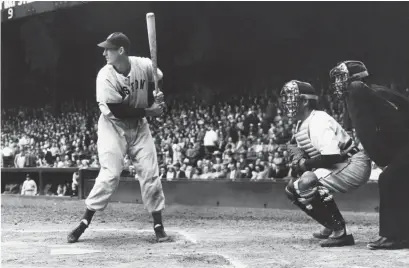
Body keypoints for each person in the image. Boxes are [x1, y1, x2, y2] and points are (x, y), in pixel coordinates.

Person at [67, 32, 170, 243]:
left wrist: (158, 99)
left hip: (139, 127)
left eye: (108, 49)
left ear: (121, 51)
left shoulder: (143, 64)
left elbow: (157, 78)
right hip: (112, 127)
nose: (104, 53)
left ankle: (158, 225)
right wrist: (151, 111)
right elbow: (119, 110)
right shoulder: (104, 76)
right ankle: (84, 222)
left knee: (150, 174)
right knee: (111, 174)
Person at [280, 80, 371, 247]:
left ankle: (340, 232)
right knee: (293, 189)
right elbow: (303, 152)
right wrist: (298, 160)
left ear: (305, 101)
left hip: (352, 163)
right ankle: (329, 225)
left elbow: (332, 156)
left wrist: (304, 164)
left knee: (305, 183)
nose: (287, 102)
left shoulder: (318, 120)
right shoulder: (302, 123)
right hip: (342, 164)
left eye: (291, 98)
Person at [329, 60, 409, 250]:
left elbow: (369, 130)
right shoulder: (377, 92)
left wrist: (383, 157)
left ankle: (395, 237)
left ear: (355, 78)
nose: (339, 83)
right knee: (395, 178)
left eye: (342, 78)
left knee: (390, 179)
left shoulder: (359, 90)